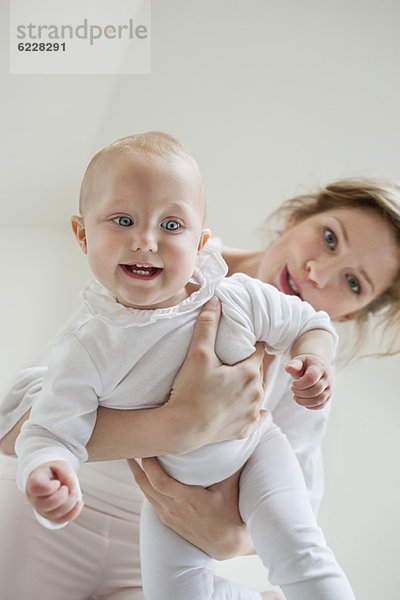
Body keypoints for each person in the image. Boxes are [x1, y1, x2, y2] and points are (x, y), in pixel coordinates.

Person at [1, 165, 399, 599]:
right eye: (329, 237)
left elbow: (292, 505)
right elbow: (14, 430)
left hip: (158, 547)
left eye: (354, 283)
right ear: (296, 218)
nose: (319, 272)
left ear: (349, 316)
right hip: (51, 518)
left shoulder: (307, 359)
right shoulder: (157, 269)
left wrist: (229, 539)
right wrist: (181, 426)